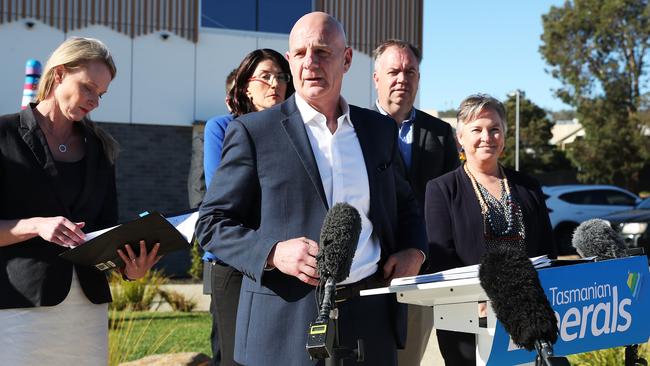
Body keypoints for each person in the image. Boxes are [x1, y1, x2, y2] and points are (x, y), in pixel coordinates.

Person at [196, 12, 426, 366]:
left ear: (346, 59)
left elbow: (405, 204)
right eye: (300, 54)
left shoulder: (378, 131)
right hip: (283, 326)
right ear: (290, 61)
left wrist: (414, 250)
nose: (310, 63)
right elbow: (212, 224)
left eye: (321, 51)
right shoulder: (254, 132)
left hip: (369, 320)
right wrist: (272, 252)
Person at [0, 37, 160, 365]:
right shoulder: (3, 135)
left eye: (100, 94)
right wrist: (35, 226)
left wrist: (129, 268)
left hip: (87, 310)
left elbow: (104, 231)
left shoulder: (101, 149)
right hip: (19, 306)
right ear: (58, 74)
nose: (95, 102)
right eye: (88, 88)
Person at [424, 94, 557, 365]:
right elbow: (441, 259)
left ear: (504, 136)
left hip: (528, 317)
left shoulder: (528, 187)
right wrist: (482, 300)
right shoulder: (441, 189)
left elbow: (548, 250)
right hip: (468, 321)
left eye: (494, 129)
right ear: (460, 137)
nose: (487, 136)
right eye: (477, 129)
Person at [203, 49, 294, 366]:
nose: (275, 84)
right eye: (266, 76)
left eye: (281, 77)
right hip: (233, 262)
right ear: (245, 86)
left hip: (283, 261)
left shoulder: (294, 131)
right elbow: (223, 192)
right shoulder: (222, 127)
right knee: (234, 357)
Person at [372, 39, 459, 366]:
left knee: (408, 358)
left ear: (419, 79)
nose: (402, 79)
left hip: (422, 269)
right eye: (393, 71)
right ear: (376, 78)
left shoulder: (439, 134)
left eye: (410, 72)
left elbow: (452, 200)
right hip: (369, 271)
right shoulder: (353, 127)